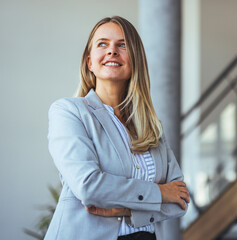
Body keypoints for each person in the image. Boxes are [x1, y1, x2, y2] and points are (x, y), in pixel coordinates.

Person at [45, 16, 189, 240]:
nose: (112, 51)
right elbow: (88, 186)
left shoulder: (151, 125)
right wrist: (160, 193)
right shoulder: (68, 112)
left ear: (135, 61)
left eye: (122, 45)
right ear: (89, 62)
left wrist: (127, 211)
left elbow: (179, 199)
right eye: (102, 44)